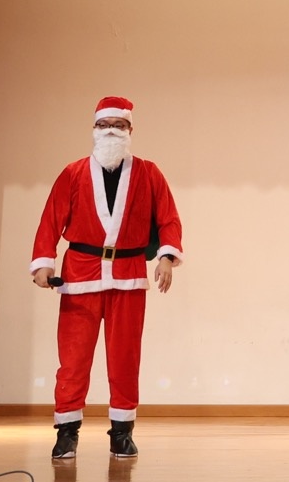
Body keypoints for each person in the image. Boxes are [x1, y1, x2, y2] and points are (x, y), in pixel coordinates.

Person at [29, 96, 183, 460]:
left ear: (130, 130)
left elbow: (168, 218)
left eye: (118, 125)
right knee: (73, 358)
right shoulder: (73, 173)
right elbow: (50, 219)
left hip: (128, 277)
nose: (111, 130)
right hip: (80, 275)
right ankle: (67, 431)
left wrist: (165, 257)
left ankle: (122, 432)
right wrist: (43, 263)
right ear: (94, 129)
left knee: (125, 358)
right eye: (104, 125)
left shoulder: (148, 173)